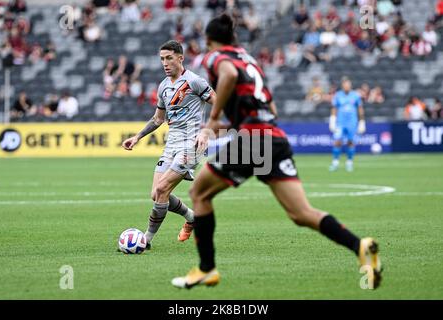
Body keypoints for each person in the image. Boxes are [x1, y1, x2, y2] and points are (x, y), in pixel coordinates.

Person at [171, 14, 382, 290]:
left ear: (209, 40)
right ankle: (360, 246)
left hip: (254, 139)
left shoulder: (215, 57)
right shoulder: (249, 59)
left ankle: (207, 269)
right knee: (302, 214)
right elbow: (272, 110)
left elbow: (229, 75)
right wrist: (230, 125)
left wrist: (212, 122)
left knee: (198, 194)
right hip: (273, 137)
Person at [121, 40, 216, 248]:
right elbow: (158, 119)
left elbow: (219, 103)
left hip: (192, 144)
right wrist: (137, 137)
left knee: (163, 188)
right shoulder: (163, 86)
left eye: (169, 58)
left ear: (180, 58)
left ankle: (146, 240)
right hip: (171, 144)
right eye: (162, 59)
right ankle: (193, 218)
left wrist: (207, 131)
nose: (165, 63)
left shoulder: (194, 81)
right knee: (156, 194)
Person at [329, 77, 365, 172]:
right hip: (340, 122)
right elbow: (334, 108)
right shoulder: (338, 95)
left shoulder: (356, 95)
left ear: (350, 86)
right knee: (337, 141)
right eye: (345, 85)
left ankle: (349, 162)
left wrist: (362, 121)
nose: (347, 86)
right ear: (342, 86)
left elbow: (360, 108)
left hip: (352, 122)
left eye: (348, 85)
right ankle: (335, 162)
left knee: (351, 142)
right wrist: (332, 119)